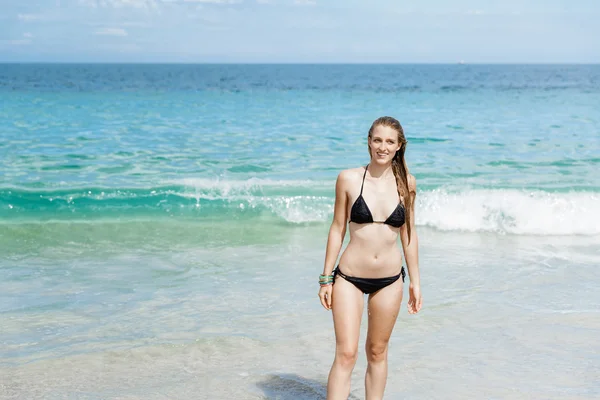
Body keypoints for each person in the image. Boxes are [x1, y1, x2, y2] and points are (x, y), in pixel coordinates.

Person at [318, 116, 422, 400]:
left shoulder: (407, 184)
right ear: (368, 141)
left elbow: (409, 235)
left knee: (377, 351)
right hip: (349, 278)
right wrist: (326, 278)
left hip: (389, 281)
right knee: (347, 353)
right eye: (377, 140)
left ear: (399, 146)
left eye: (390, 142)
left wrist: (415, 280)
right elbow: (338, 228)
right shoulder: (349, 179)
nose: (382, 147)